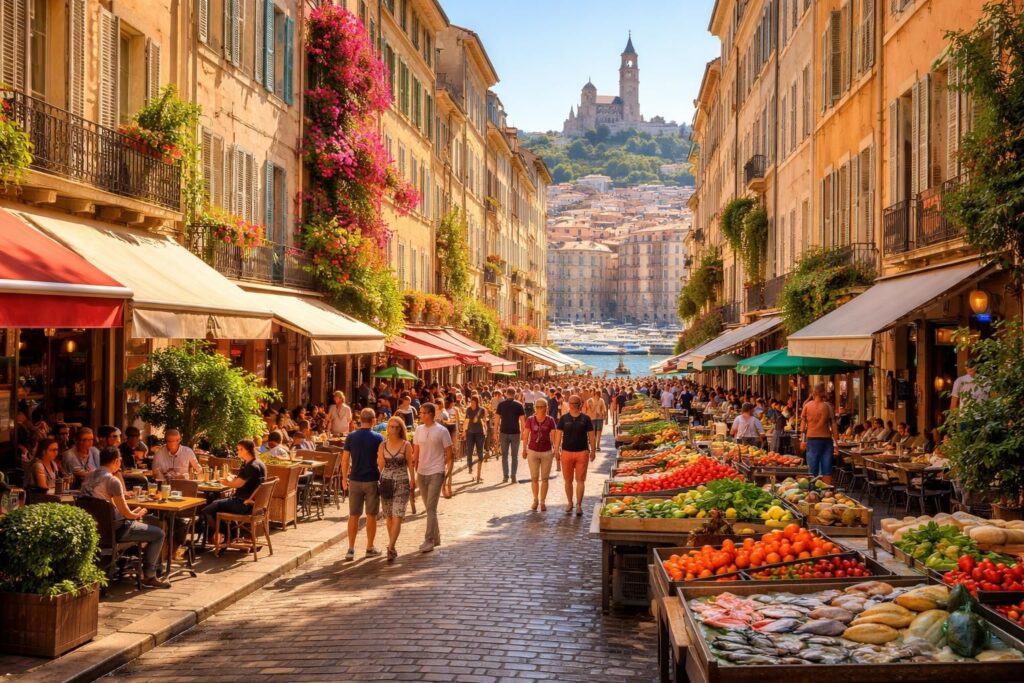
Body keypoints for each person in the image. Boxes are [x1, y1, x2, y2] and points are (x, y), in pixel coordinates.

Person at [81, 447, 171, 588]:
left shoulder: (88, 477)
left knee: (147, 527)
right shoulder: (112, 481)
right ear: (117, 461)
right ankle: (149, 575)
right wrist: (138, 513)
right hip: (117, 529)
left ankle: (128, 564)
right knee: (159, 533)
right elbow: (126, 514)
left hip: (95, 529)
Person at [202, 439, 266, 550]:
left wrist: (226, 482)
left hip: (244, 504)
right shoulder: (258, 463)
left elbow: (238, 484)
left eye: (239, 449)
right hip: (255, 504)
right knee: (216, 502)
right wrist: (232, 480)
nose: (237, 451)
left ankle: (228, 535)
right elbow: (244, 480)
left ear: (245, 450)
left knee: (208, 509)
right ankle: (231, 534)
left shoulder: (251, 466)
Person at [342, 408, 384, 560]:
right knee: (371, 515)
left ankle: (351, 548)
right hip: (372, 479)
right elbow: (381, 461)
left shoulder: (351, 437)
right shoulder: (378, 438)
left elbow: (345, 459)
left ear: (360, 420)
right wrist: (381, 474)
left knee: (353, 515)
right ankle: (369, 547)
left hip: (354, 479)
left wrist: (343, 477)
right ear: (373, 420)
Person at [412, 402, 453, 553]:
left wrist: (444, 470)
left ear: (430, 414)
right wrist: (413, 470)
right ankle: (436, 537)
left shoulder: (442, 431)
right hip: (422, 473)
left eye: (423, 413)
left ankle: (429, 539)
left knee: (431, 508)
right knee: (429, 507)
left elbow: (449, 453)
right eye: (420, 413)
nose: (420, 415)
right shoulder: (418, 430)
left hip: (436, 472)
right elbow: (416, 452)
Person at [377, 416, 416, 561]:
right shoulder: (382, 445)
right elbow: (380, 465)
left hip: (402, 482)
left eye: (396, 427)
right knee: (389, 516)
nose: (393, 429)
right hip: (386, 482)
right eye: (391, 426)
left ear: (401, 429)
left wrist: (413, 479)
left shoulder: (406, 445)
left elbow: (410, 464)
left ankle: (390, 546)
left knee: (398, 515)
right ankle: (392, 546)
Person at [553, 395, 596, 516]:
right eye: (571, 403)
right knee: (568, 480)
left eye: (575, 403)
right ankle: (570, 502)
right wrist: (556, 450)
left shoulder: (586, 419)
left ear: (580, 405)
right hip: (566, 452)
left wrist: (593, 450)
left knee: (580, 480)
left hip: (582, 452)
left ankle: (578, 505)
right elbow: (558, 434)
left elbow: (591, 435)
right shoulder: (563, 418)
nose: (573, 406)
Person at [522, 398, 557, 512]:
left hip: (546, 451)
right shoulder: (530, 420)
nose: (539, 409)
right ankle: (535, 499)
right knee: (534, 478)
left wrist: (556, 449)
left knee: (545, 479)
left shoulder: (550, 420)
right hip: (533, 451)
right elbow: (526, 434)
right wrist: (524, 449)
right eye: (537, 407)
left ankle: (542, 501)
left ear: (546, 408)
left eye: (542, 407)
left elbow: (554, 435)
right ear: (534, 408)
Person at [800, 383, 839, 483]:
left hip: (812, 439)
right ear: (823, 392)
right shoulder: (828, 406)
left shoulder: (807, 406)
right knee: (827, 469)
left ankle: (813, 490)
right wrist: (836, 444)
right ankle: (826, 492)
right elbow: (833, 425)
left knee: (812, 469)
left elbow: (802, 426)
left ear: (813, 392)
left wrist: (802, 440)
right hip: (826, 440)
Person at [495, 388, 526, 484]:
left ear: (506, 394)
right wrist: (523, 433)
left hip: (503, 432)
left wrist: (495, 433)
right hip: (515, 432)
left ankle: (505, 476)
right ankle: (513, 476)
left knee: (504, 456)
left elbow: (496, 420)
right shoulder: (519, 405)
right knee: (514, 456)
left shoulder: (501, 405)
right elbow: (522, 421)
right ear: (514, 394)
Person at [463, 395, 487, 483]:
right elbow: (466, 420)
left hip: (480, 433)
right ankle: (470, 467)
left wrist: (485, 430)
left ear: (477, 402)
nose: (472, 403)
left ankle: (479, 474)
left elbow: (484, 421)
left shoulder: (482, 410)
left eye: (473, 402)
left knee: (480, 452)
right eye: (471, 401)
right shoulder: (468, 410)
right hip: (470, 432)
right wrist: (464, 431)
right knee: (469, 450)